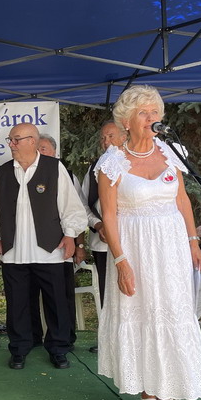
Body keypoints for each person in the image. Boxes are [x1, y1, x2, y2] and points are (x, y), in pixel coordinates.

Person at [95, 85, 201, 400]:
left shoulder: (172, 152)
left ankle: (167, 392)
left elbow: (182, 200)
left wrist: (193, 243)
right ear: (127, 121)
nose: (152, 118)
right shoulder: (112, 162)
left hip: (171, 248)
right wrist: (121, 261)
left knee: (172, 310)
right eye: (144, 113)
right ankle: (148, 393)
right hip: (134, 248)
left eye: (155, 111)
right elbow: (109, 216)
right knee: (143, 313)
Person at [0, 123, 87, 370]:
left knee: (56, 302)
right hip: (14, 250)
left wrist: (70, 235)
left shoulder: (54, 168)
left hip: (49, 250)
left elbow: (71, 207)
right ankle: (19, 348)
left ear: (32, 141)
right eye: (10, 140)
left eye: (16, 140)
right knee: (17, 303)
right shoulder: (3, 172)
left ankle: (59, 348)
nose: (11, 144)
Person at [34, 133, 88, 350]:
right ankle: (34, 338)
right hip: (33, 250)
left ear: (55, 152)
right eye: (37, 149)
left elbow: (78, 212)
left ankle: (66, 338)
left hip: (61, 247)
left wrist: (79, 245)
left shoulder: (65, 174)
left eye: (43, 149)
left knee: (62, 296)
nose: (39, 153)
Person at [83, 121, 127, 352]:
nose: (106, 142)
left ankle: (132, 341)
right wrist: (99, 225)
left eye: (110, 136)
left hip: (130, 240)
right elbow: (83, 205)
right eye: (102, 138)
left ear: (124, 137)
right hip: (102, 243)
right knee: (107, 292)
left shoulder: (135, 164)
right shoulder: (95, 168)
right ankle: (109, 341)